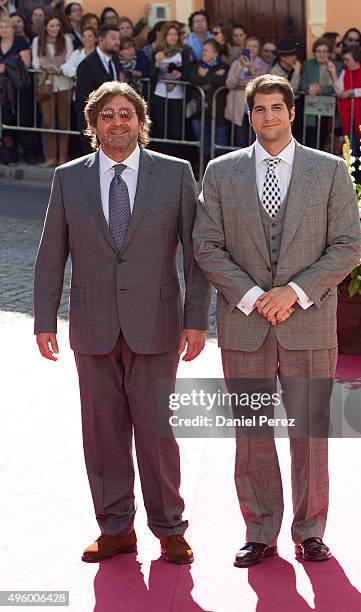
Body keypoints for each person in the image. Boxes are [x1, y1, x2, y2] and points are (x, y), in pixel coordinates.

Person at [33, 80, 210, 565]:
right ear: (94, 126)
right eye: (107, 115)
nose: (117, 122)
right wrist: (43, 320)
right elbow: (52, 255)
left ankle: (170, 528)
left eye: (125, 114)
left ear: (140, 121)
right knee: (103, 434)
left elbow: (198, 257)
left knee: (157, 433)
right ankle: (115, 528)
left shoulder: (175, 174)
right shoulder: (68, 178)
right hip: (91, 327)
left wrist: (197, 321)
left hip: (156, 326)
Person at [193, 73, 361, 568]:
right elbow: (207, 245)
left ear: (292, 112)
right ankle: (259, 530)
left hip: (307, 321)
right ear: (250, 117)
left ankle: (310, 530)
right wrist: (251, 295)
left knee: (310, 431)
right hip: (245, 325)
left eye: (276, 107)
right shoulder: (221, 173)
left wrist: (293, 291)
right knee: (252, 432)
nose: (268, 116)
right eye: (259, 109)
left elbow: (346, 246)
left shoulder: (329, 171)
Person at [32, 12, 73, 166]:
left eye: (57, 25)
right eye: (52, 26)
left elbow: (70, 59)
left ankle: (63, 157)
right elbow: (35, 61)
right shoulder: (38, 41)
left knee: (63, 121)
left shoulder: (66, 40)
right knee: (49, 122)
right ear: (46, 27)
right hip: (46, 83)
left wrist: (59, 68)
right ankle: (51, 157)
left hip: (63, 83)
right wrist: (43, 66)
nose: (55, 29)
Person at [75, 23, 121, 153]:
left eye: (118, 38)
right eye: (113, 38)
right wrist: (91, 127)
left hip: (113, 123)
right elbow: (82, 100)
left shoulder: (115, 59)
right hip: (96, 126)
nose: (117, 42)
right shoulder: (87, 65)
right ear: (101, 40)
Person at [0, 14, 36, 163]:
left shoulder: (20, 42)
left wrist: (6, 66)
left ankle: (29, 155)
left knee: (24, 121)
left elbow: (26, 63)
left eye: (6, 27)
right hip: (3, 91)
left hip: (20, 89)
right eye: (1, 27)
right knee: (6, 123)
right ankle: (10, 155)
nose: (4, 30)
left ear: (13, 29)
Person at [150, 21, 191, 145]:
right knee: (162, 130)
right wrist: (157, 64)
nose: (173, 37)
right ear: (165, 36)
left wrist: (180, 76)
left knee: (176, 131)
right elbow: (151, 76)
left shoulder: (183, 52)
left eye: (175, 34)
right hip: (160, 96)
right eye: (169, 34)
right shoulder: (157, 52)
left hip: (178, 96)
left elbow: (188, 74)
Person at [225, 36, 269, 147]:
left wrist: (251, 69)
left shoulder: (264, 65)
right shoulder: (236, 63)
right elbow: (229, 84)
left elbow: (261, 84)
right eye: (249, 46)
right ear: (244, 48)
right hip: (238, 106)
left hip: (255, 106)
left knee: (254, 139)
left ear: (259, 49)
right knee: (240, 139)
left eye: (255, 46)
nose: (252, 49)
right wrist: (239, 68)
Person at [330, 45, 361, 154]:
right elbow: (340, 91)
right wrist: (333, 73)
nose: (345, 62)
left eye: (347, 59)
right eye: (344, 59)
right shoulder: (345, 72)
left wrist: (351, 92)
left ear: (356, 58)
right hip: (349, 115)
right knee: (351, 144)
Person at [189, 38, 229, 159]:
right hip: (199, 111)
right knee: (203, 144)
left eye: (207, 50)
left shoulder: (224, 66)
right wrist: (214, 77)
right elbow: (193, 79)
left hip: (218, 112)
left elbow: (223, 81)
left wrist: (206, 74)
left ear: (215, 53)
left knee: (220, 144)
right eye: (203, 50)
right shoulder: (198, 65)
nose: (203, 53)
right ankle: (205, 172)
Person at [299, 37, 342, 149]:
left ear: (329, 53)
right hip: (312, 107)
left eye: (324, 51)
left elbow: (337, 86)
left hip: (330, 108)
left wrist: (321, 90)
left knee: (326, 138)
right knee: (311, 138)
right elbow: (301, 84)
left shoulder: (337, 66)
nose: (321, 54)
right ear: (314, 53)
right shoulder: (308, 64)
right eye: (318, 51)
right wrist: (309, 88)